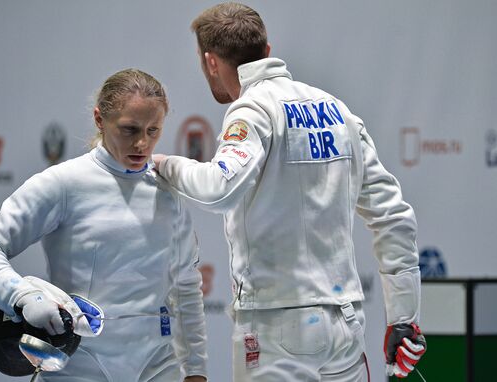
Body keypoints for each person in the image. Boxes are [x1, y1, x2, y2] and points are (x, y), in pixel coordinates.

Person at [153, 3, 426, 381]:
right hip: (345, 326)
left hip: (276, 329)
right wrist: (404, 319)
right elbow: (393, 215)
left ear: (210, 62)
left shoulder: (252, 110)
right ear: (267, 50)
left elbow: (219, 188)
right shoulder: (338, 112)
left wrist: (166, 165)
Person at [0, 68, 208, 382]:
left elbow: (186, 286)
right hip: (78, 365)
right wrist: (22, 296)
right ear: (99, 119)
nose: (142, 142)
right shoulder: (64, 183)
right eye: (129, 129)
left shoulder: (167, 193)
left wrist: (197, 368)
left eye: (153, 130)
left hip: (157, 364)